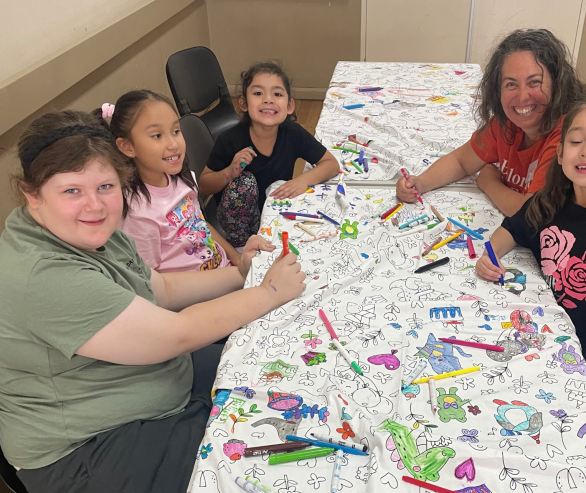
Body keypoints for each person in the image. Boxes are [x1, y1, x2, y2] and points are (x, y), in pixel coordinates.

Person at [0, 109, 305, 493]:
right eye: (71, 191)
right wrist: (268, 293)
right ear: (33, 195)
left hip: (154, 382)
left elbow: (163, 291)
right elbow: (173, 334)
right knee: (259, 467)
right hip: (89, 445)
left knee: (282, 374)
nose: (94, 205)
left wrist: (239, 273)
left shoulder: (93, 232)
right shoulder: (44, 276)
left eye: (105, 187)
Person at [476, 96, 586, 401]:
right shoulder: (549, 202)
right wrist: (489, 256)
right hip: (544, 336)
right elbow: (512, 228)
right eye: (575, 141)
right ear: (559, 153)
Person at [397, 29, 586, 216]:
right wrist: (420, 182)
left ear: (557, 85)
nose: (522, 96)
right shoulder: (506, 124)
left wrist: (489, 182)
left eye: (534, 82)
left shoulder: (568, 137)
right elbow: (461, 161)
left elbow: (529, 212)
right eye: (511, 84)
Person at [100, 90, 273, 275]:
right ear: (127, 147)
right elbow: (153, 285)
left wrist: (236, 258)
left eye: (176, 131)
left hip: (225, 271)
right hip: (203, 296)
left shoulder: (179, 180)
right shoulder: (138, 215)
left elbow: (200, 225)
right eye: (157, 136)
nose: (174, 144)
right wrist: (237, 277)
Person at [199, 61, 340, 247]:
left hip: (276, 213)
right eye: (258, 93)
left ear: (289, 106)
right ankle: (241, 248)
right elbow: (204, 186)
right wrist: (229, 172)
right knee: (244, 181)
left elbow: (331, 164)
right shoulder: (230, 140)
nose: (268, 99)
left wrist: (302, 180)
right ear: (243, 103)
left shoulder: (292, 133)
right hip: (241, 229)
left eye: (277, 94)